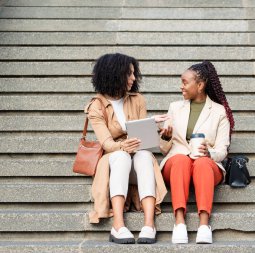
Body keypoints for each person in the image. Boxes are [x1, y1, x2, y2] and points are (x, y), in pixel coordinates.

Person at [85, 53, 167, 244]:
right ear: (114, 74)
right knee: (121, 156)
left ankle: (149, 224)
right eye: (129, 74)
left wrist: (154, 129)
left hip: (137, 160)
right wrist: (123, 146)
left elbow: (143, 138)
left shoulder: (137, 99)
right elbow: (106, 144)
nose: (133, 78)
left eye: (133, 74)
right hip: (113, 162)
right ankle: (118, 225)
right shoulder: (96, 106)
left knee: (145, 155)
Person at [159, 61, 235, 244]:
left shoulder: (219, 112)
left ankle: (203, 225)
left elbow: (222, 149)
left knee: (201, 163)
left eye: (185, 82)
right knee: (180, 161)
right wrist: (166, 137)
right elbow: (163, 150)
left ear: (200, 85)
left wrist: (210, 154)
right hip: (177, 162)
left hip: (207, 164)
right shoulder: (175, 107)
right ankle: (179, 223)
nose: (181, 86)